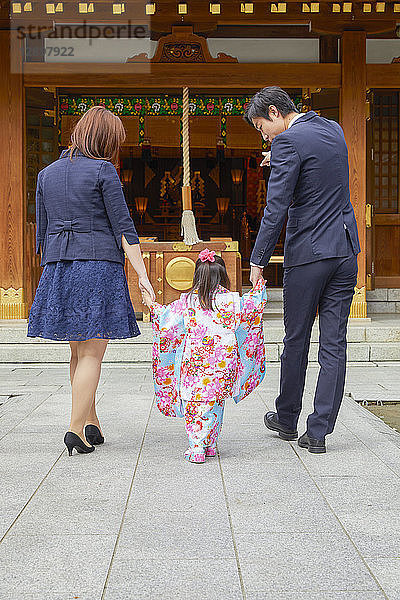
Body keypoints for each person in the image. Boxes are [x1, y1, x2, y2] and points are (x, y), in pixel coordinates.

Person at [28, 106, 155, 456]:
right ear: (105, 140)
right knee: (93, 353)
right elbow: (124, 228)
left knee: (77, 351)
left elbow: (42, 231)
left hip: (58, 267)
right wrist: (143, 277)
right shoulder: (103, 171)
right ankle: (74, 430)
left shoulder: (46, 173)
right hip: (97, 265)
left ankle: (90, 420)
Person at [244, 86, 360, 454]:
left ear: (275, 112)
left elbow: (276, 208)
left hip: (309, 253)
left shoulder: (286, 144)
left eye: (262, 126)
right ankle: (319, 432)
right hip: (344, 250)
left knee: (295, 339)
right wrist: (276, 158)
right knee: (334, 343)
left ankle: (287, 417)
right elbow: (320, 170)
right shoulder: (333, 129)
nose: (264, 135)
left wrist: (258, 260)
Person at [142, 248, 267, 463]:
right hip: (223, 368)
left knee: (195, 406)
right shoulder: (232, 302)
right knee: (216, 404)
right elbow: (254, 305)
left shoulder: (187, 303)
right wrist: (258, 284)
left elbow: (165, 320)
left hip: (195, 369)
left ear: (197, 276)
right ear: (223, 276)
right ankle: (210, 443)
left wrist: (151, 303)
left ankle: (197, 446)